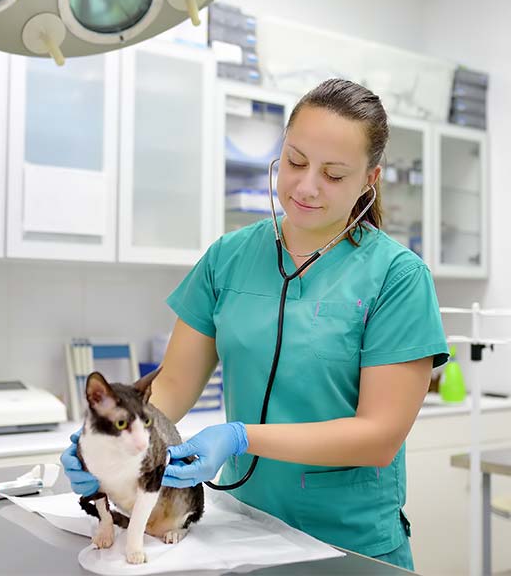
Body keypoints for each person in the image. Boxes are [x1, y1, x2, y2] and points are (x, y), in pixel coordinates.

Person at [61, 78, 449, 571]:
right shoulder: (229, 257)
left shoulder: (398, 277)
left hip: (351, 544)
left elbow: (378, 436)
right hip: (244, 531)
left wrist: (242, 436)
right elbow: (174, 387)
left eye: (333, 174)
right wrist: (110, 437)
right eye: (295, 161)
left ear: (369, 180)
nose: (306, 186)